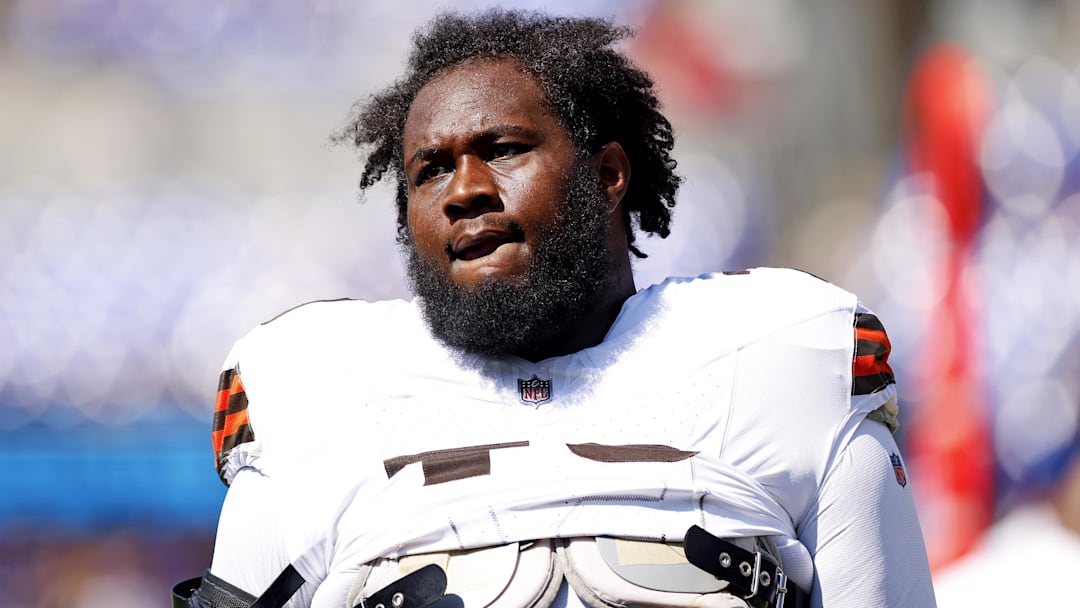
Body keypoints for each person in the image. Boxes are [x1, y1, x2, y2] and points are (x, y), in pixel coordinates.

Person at [174, 9, 936, 608]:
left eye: (502, 148)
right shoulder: (310, 391)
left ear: (607, 173)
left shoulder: (787, 358)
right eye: (429, 170)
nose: (465, 189)